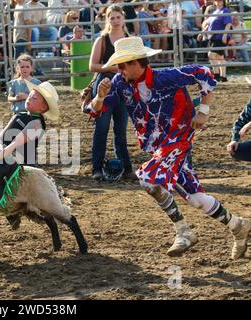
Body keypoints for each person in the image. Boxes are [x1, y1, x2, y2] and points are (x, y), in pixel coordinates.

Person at [83, 36, 251, 259]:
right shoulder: (119, 83)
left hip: (179, 139)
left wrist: (204, 111)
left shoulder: (166, 77)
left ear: (136, 63)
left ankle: (183, 231)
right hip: (160, 146)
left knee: (148, 179)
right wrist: (99, 97)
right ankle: (238, 226)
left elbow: (204, 73)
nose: (118, 68)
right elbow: (94, 111)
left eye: (122, 64)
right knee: (195, 197)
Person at [0, 80, 59, 242]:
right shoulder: (19, 115)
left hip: (19, 162)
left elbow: (15, 145)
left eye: (35, 99)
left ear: (44, 108)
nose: (29, 99)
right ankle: (6, 212)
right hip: (5, 156)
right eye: (30, 96)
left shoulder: (37, 124)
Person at [88, 4, 135, 181]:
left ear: (123, 18)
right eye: (111, 18)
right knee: (101, 128)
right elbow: (92, 66)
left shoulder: (130, 40)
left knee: (121, 130)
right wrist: (113, 67)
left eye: (117, 17)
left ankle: (126, 168)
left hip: (123, 87)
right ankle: (96, 168)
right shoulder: (102, 40)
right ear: (107, 19)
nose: (115, 21)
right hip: (104, 86)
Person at [206, 0, 232, 82]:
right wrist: (202, 32)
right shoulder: (214, 12)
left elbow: (228, 24)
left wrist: (224, 35)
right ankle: (223, 77)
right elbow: (209, 24)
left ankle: (216, 75)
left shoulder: (225, 10)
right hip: (213, 37)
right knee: (219, 57)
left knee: (211, 55)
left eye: (220, 0)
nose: (218, 1)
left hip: (220, 36)